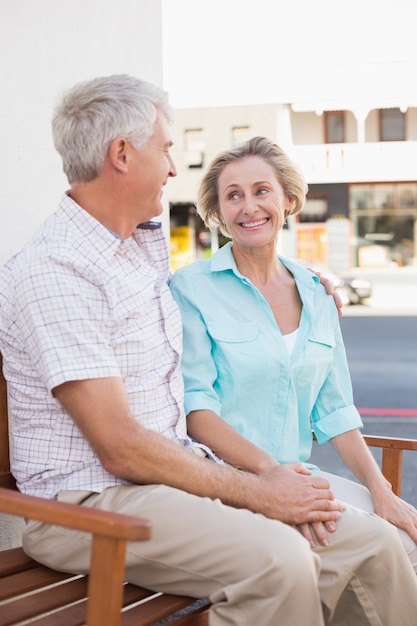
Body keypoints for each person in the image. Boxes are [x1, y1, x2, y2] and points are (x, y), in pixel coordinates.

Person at [0, 77, 416, 626]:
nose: (175, 167)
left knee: (373, 544)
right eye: (167, 148)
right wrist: (261, 488)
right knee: (281, 561)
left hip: (172, 482)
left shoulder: (136, 250)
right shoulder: (57, 272)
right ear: (122, 155)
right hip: (90, 503)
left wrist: (307, 283)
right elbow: (121, 449)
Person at [169, 135, 417, 570]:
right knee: (374, 546)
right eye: (233, 196)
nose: (249, 207)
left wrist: (383, 492)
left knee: (404, 536)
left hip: (297, 477)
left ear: (288, 199)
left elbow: (335, 409)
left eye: (262, 191)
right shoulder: (191, 288)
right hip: (226, 483)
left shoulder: (318, 293)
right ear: (220, 213)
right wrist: (271, 479)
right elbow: (195, 410)